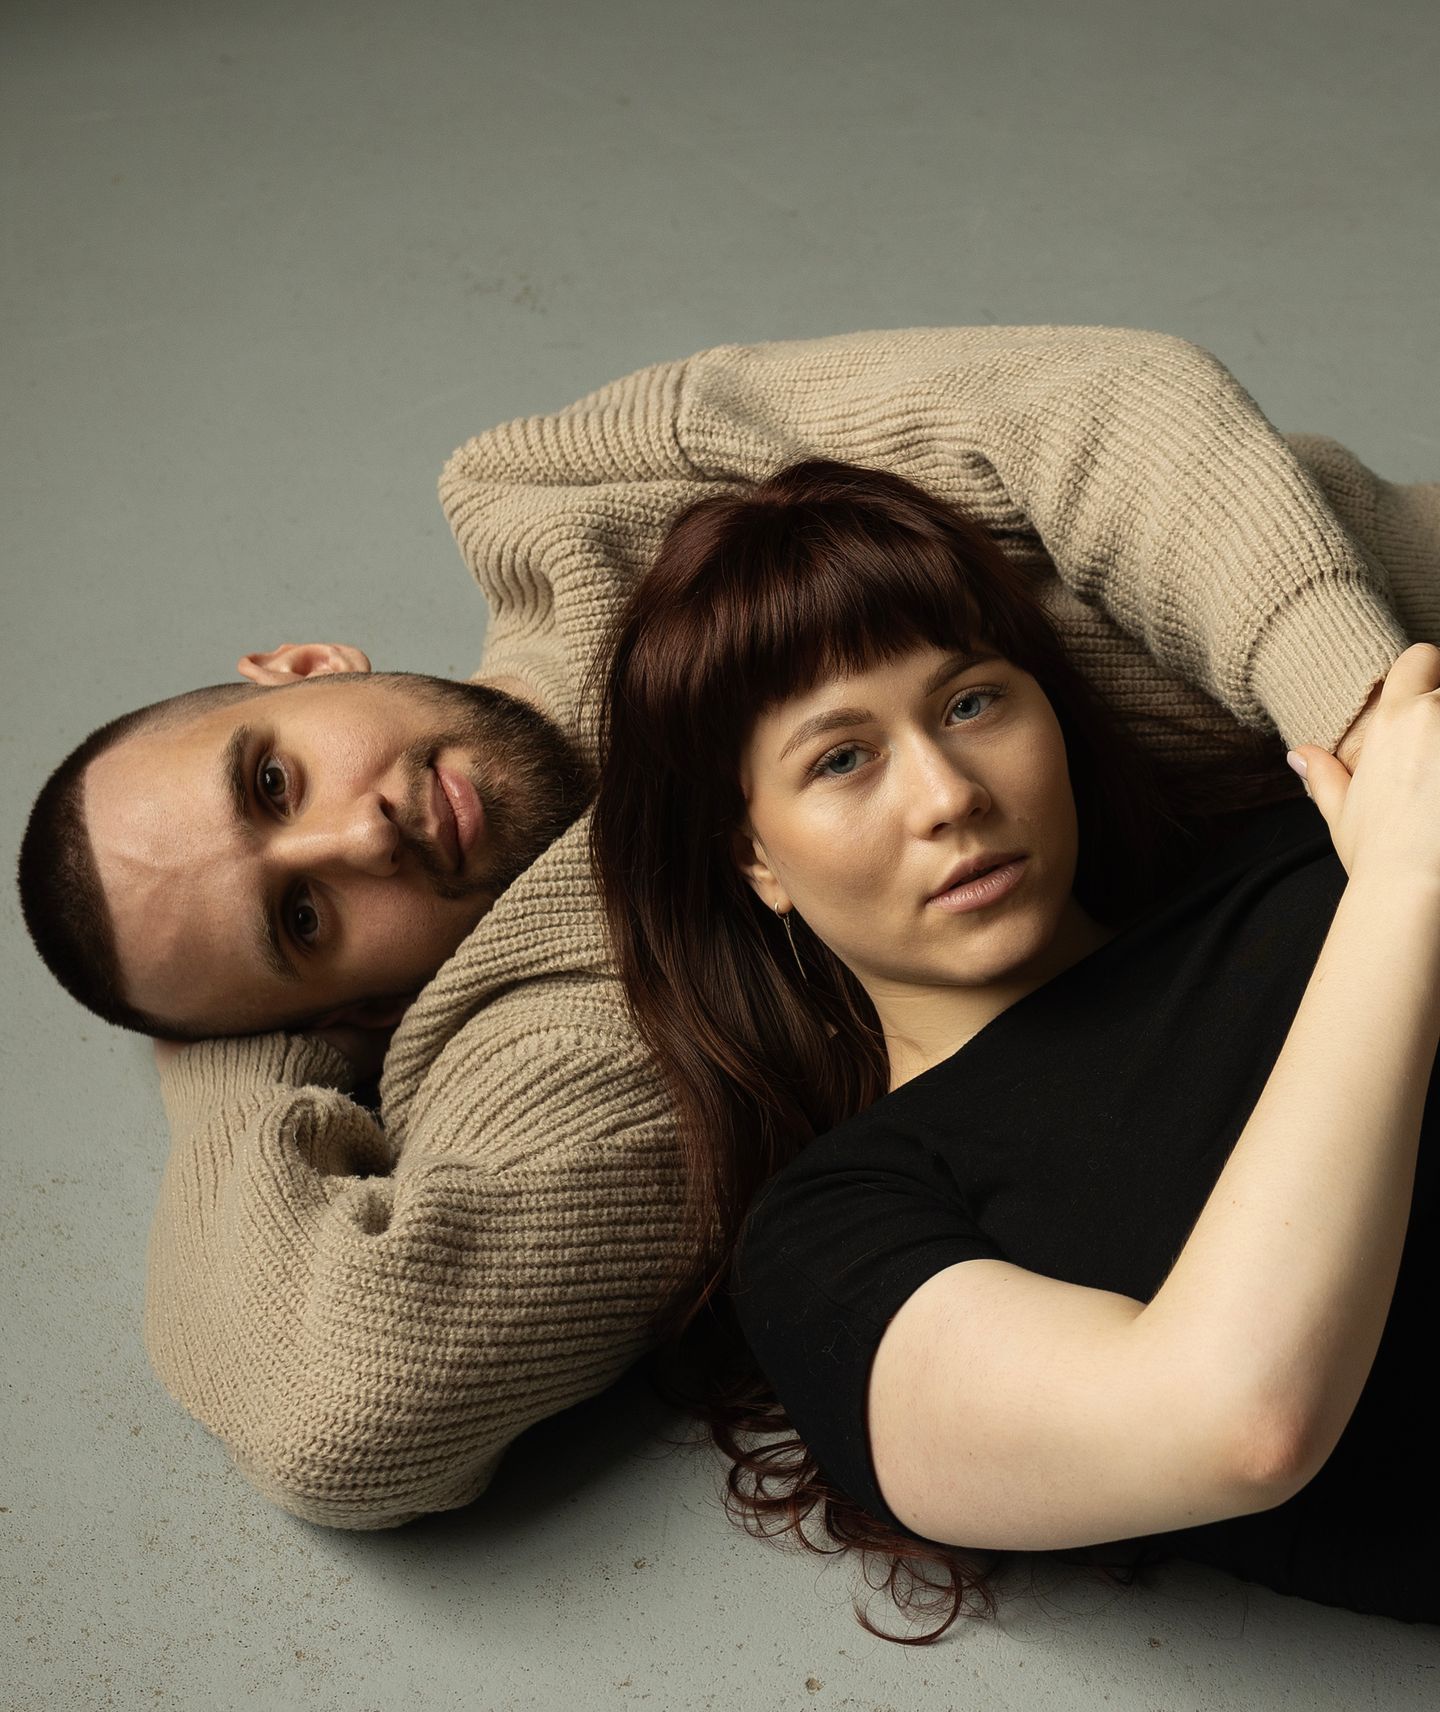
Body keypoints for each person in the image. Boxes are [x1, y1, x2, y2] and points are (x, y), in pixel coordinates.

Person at [16, 325, 1440, 1530]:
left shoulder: (561, 491)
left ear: (302, 665)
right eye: (303, 917)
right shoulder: (571, 1036)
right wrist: (228, 1045)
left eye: (273, 781)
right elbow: (345, 1404)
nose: (361, 833)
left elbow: (1084, 410)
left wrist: (1376, 725)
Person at [590, 456, 1440, 1638]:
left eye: (971, 704)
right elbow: (1238, 1423)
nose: (947, 794)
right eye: (841, 759)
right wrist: (1403, 886)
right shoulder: (839, 1236)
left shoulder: (1295, 840)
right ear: (755, 859)